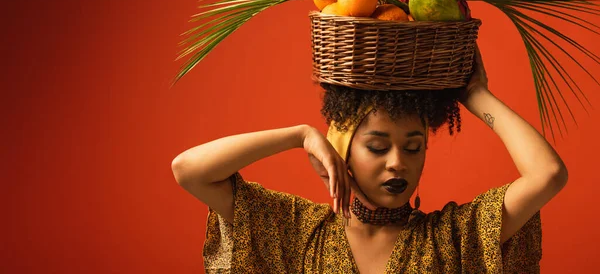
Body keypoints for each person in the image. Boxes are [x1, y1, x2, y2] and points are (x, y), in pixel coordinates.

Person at [171, 48, 567, 273]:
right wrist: (300, 135)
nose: (398, 163)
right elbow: (189, 170)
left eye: (413, 148)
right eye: (378, 147)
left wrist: (477, 94)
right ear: (341, 150)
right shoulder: (294, 231)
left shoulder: (455, 238)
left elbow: (547, 174)